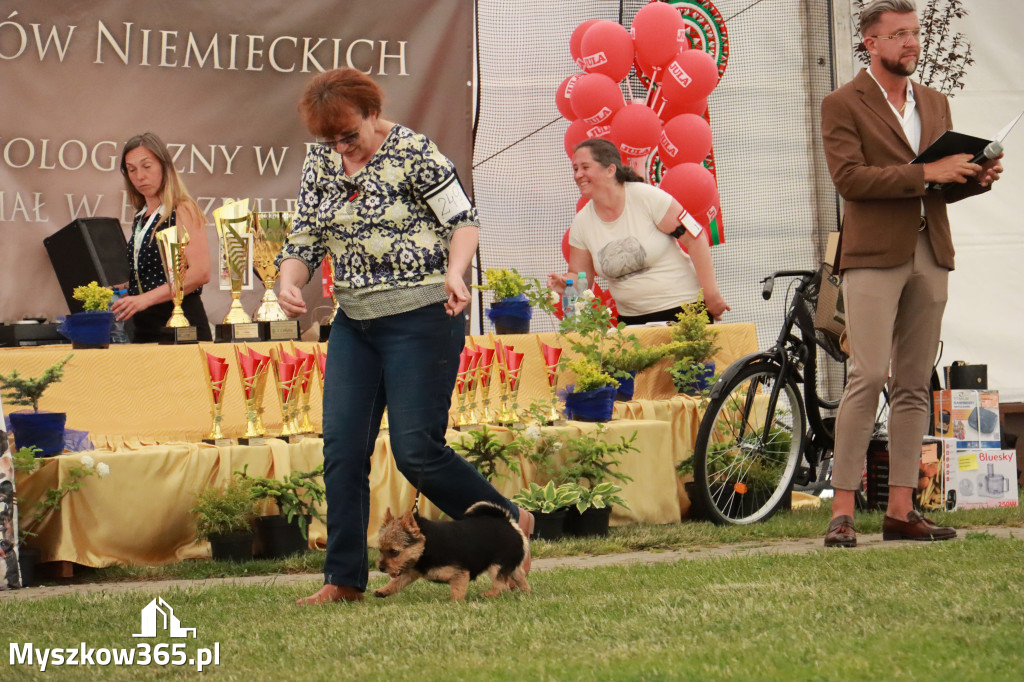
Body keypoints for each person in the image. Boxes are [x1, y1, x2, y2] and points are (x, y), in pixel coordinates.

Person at [276, 67, 534, 604]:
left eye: (350, 134)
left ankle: (509, 523)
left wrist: (456, 270)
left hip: (423, 314)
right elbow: (304, 237)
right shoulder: (321, 161)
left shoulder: (414, 150)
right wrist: (288, 281)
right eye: (331, 139)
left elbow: (464, 220)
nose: (342, 147)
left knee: (416, 451)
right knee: (343, 449)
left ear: (372, 114)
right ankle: (343, 579)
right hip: (355, 323)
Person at [821, 0, 1003, 547]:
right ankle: (843, 511)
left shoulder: (934, 101)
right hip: (874, 254)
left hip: (931, 250)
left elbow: (940, 184)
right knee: (869, 374)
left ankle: (901, 511)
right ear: (870, 44)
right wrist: (929, 171)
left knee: (913, 384)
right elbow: (850, 179)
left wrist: (975, 177)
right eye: (898, 34)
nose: (911, 42)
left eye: (914, 32)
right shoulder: (840, 103)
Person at [547, 138, 729, 324]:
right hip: (632, 322)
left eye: (585, 167)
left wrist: (711, 295)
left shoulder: (647, 197)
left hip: (685, 311)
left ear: (610, 170)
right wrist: (567, 284)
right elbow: (580, 276)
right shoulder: (581, 223)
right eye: (575, 169)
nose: (578, 175)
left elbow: (696, 239)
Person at [111, 132, 212, 342]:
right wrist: (122, 291)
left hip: (181, 325)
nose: (139, 176)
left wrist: (143, 299)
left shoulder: (183, 208)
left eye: (146, 166)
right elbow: (155, 275)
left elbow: (200, 273)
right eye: (131, 170)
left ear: (164, 166)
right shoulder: (141, 217)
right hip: (144, 326)